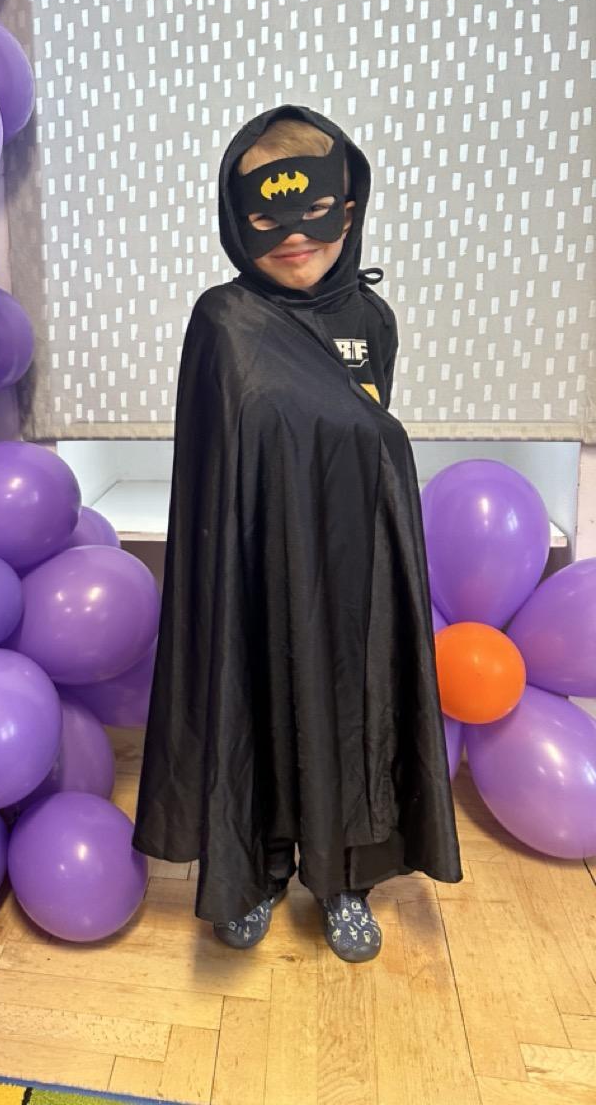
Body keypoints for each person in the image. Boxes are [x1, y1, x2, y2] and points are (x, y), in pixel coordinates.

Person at [130, 104, 463, 964]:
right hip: (255, 558)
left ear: (347, 211)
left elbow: (362, 438)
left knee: (350, 708)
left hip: (353, 564)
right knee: (261, 698)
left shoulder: (372, 321)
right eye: (266, 219)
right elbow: (217, 456)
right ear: (235, 220)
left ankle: (345, 877)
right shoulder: (224, 320)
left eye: (314, 214)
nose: (293, 237)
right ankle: (258, 867)